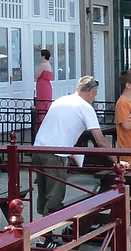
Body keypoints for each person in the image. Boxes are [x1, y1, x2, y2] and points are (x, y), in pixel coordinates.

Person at [33, 76, 110, 214]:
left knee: (44, 193)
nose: (94, 98)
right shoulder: (85, 106)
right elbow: (100, 141)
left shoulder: (61, 100)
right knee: (54, 197)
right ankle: (45, 233)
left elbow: (60, 127)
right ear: (91, 91)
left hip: (39, 148)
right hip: (56, 153)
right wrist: (117, 161)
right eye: (95, 94)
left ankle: (41, 229)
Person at [34, 49, 55, 119]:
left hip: (42, 86)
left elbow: (36, 75)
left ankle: (41, 120)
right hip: (46, 86)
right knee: (46, 103)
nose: (39, 56)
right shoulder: (48, 64)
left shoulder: (43, 65)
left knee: (42, 103)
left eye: (40, 55)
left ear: (43, 56)